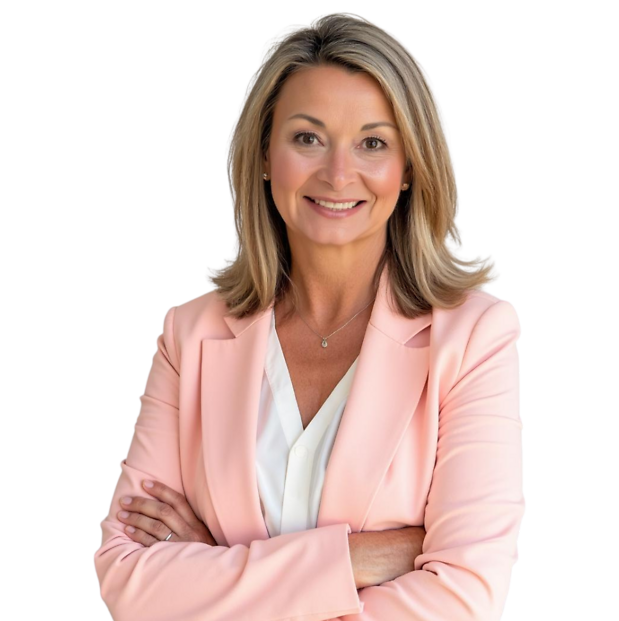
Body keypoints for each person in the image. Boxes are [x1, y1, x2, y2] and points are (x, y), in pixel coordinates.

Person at [92, 11, 524, 621]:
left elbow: (464, 598)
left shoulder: (476, 337)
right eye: (307, 137)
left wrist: (216, 564)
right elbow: (127, 580)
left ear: (408, 169)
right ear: (265, 154)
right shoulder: (188, 336)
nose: (338, 174)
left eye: (373, 142)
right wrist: (359, 559)